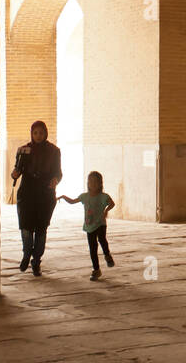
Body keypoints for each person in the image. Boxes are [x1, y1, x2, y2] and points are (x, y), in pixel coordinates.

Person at [10, 120, 62, 276]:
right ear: (31, 134)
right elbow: (17, 168)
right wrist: (15, 173)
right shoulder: (24, 150)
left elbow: (58, 172)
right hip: (27, 194)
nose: (38, 136)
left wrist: (55, 180)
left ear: (45, 133)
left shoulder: (54, 151)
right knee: (26, 227)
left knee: (41, 229)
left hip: (45, 194)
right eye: (35, 133)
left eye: (41, 133)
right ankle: (27, 254)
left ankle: (36, 261)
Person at [60, 172, 115, 281]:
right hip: (89, 226)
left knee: (102, 240)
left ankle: (107, 255)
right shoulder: (84, 196)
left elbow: (112, 203)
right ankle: (96, 270)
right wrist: (62, 196)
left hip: (100, 224)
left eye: (95, 182)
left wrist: (106, 211)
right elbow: (72, 201)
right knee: (92, 248)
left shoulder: (103, 196)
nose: (92, 184)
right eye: (90, 182)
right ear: (87, 183)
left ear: (100, 184)